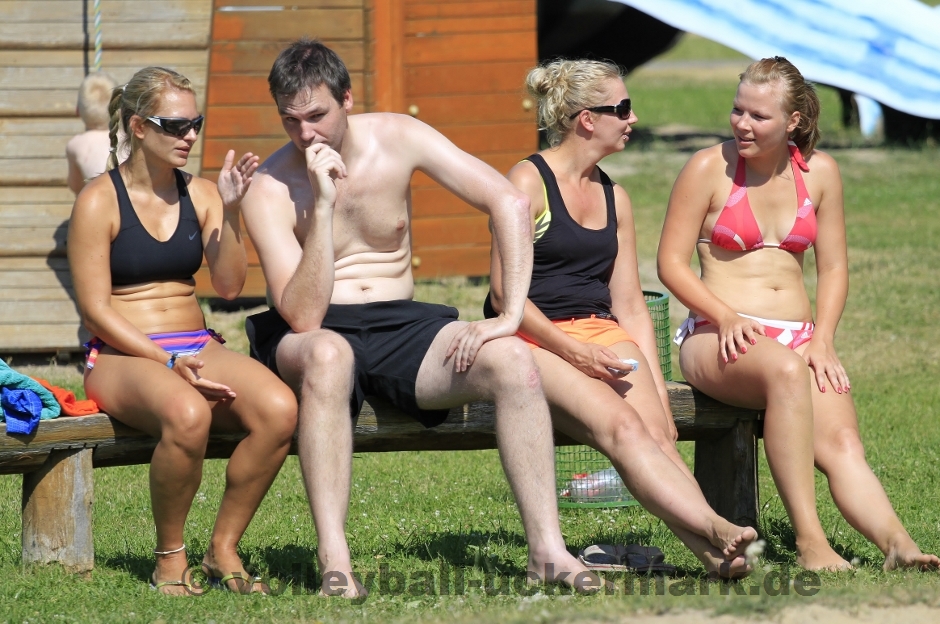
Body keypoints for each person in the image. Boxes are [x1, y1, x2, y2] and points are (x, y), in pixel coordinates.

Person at [241, 38, 593, 597]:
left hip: (400, 323)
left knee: (512, 360)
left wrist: (511, 315)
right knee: (329, 354)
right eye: (291, 121)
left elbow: (510, 202)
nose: (306, 134)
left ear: (347, 99)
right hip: (313, 333)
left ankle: (547, 551)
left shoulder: (399, 137)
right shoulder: (269, 188)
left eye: (317, 116)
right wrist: (324, 206)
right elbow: (303, 315)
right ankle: (335, 561)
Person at [657, 56, 940, 571]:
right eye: (738, 110)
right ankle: (811, 544)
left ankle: (898, 545)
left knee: (842, 441)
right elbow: (671, 265)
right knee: (787, 373)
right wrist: (725, 316)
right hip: (715, 334)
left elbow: (833, 268)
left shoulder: (821, 173)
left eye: (758, 116)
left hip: (798, 337)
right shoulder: (707, 167)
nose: (742, 124)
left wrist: (823, 339)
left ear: (792, 120)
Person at [484, 59, 757, 578]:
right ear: (587, 119)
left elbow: (629, 303)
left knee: (658, 435)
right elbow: (504, 296)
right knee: (624, 428)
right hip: (534, 337)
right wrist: (575, 352)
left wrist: (658, 388)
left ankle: (714, 556)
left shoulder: (616, 196)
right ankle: (716, 527)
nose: (633, 119)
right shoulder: (527, 181)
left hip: (601, 331)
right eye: (623, 109)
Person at [67, 66, 298, 594]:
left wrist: (231, 213)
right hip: (121, 354)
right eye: (174, 125)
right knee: (188, 413)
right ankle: (170, 557)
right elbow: (95, 310)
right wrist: (166, 361)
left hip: (195, 344)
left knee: (280, 409)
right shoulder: (99, 200)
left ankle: (223, 548)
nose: (189, 135)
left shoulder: (205, 193)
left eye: (195, 123)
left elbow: (230, 286)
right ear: (138, 127)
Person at [67, 72, 118, 195]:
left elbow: (76, 187)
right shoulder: (129, 137)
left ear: (78, 110)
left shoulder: (76, 144)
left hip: (101, 203)